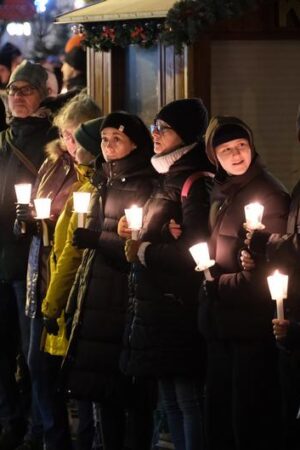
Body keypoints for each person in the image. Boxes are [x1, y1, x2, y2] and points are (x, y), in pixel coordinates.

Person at [120, 98, 214, 450]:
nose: (155, 134)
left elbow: (195, 247)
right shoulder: (167, 174)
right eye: (154, 127)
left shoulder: (192, 179)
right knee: (170, 398)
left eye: (164, 129)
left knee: (188, 399)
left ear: (185, 135)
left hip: (178, 302)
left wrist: (145, 249)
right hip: (157, 302)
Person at [61, 111, 156, 450]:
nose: (109, 145)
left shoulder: (144, 183)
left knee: (130, 395)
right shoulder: (106, 180)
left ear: (135, 143)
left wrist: (97, 240)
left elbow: (137, 246)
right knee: (104, 394)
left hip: (125, 297)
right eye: (104, 139)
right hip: (99, 296)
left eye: (117, 138)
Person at [197, 115, 290, 450]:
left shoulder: (269, 195)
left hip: (251, 326)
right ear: (213, 156)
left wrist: (217, 285)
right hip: (222, 322)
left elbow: (264, 271)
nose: (236, 155)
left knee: (248, 421)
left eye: (241, 146)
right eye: (226, 150)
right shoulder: (223, 191)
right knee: (221, 418)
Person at [15, 93, 101, 450]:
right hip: (42, 272)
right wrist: (29, 222)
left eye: (75, 134)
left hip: (69, 278)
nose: (69, 141)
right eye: (65, 134)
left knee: (75, 367)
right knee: (38, 363)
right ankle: (52, 436)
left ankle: (85, 439)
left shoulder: (94, 173)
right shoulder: (53, 163)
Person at [0, 60, 57, 450]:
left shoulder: (53, 143)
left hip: (29, 262)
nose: (18, 97)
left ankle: (40, 427)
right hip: (1, 259)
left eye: (26, 90)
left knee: (30, 350)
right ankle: (10, 420)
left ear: (43, 95)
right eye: (13, 91)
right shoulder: (3, 139)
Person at [41, 116, 104, 450]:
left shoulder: (92, 190)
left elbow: (72, 252)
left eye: (78, 141)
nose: (71, 147)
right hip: (73, 297)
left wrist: (53, 302)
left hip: (83, 299)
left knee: (90, 394)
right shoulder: (82, 185)